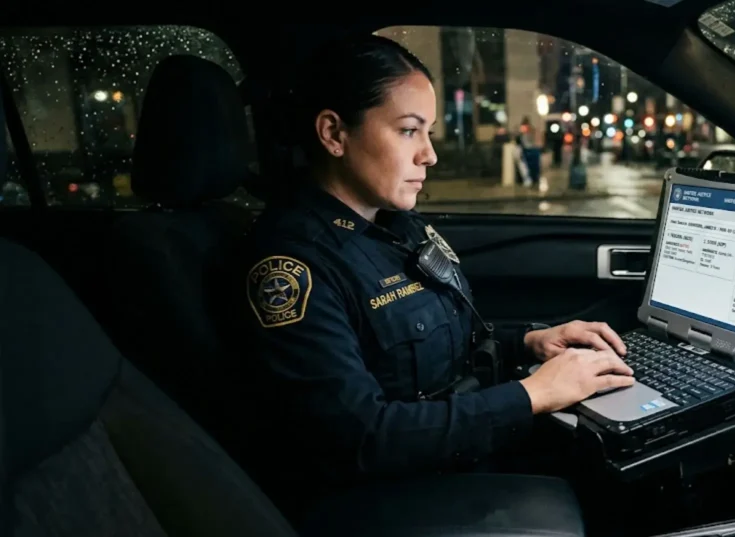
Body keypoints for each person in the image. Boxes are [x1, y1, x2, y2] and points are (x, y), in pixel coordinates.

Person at [223, 34, 635, 520]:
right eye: (407, 131)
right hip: (396, 494)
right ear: (334, 134)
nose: (429, 156)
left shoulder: (394, 227)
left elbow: (433, 352)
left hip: (456, 453)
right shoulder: (291, 266)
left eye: (429, 133)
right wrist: (533, 395)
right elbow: (361, 439)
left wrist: (528, 342)